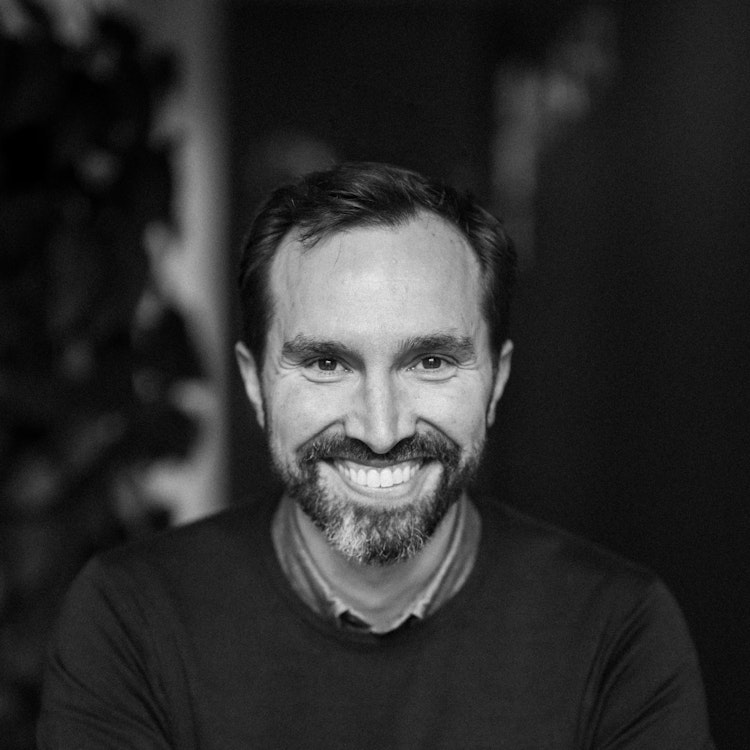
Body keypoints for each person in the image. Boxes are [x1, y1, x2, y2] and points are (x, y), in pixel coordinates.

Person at [38, 162, 714, 748]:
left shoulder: (618, 633)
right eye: (327, 362)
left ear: (497, 382)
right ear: (255, 384)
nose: (382, 429)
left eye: (431, 361)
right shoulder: (131, 621)